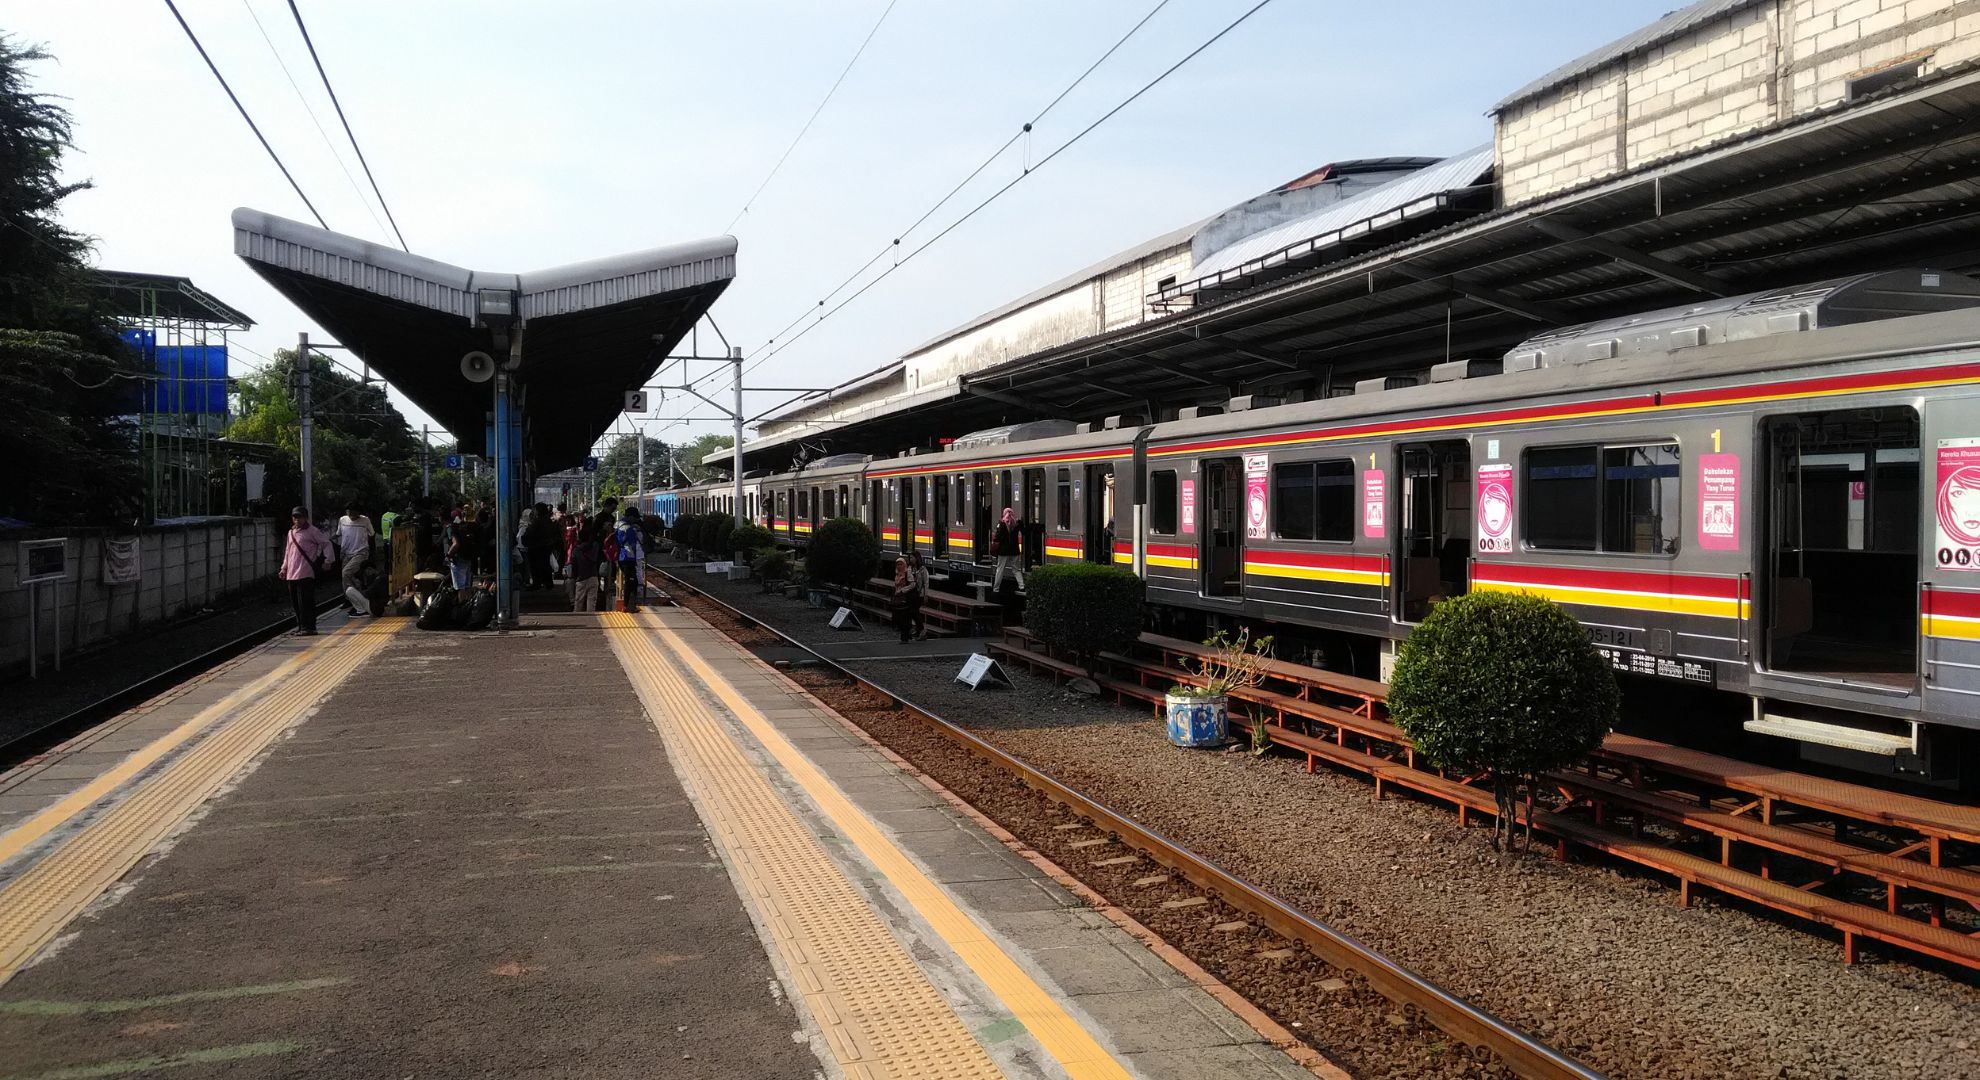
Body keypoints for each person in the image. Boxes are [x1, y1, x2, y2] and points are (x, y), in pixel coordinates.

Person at [281, 506, 332, 636]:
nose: (297, 519)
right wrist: (284, 568)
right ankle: (300, 626)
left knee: (306, 601)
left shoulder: (312, 531)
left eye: (300, 517)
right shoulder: (291, 533)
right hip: (292, 573)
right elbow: (288, 552)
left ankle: (309, 627)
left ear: (306, 518)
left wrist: (328, 560)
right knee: (296, 602)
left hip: (306, 571)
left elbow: (326, 543)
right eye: (295, 517)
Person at [335, 503, 376, 615]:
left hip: (360, 553)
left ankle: (358, 603)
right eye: (349, 512)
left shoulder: (365, 521)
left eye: (354, 512)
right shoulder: (342, 520)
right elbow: (339, 534)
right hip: (346, 553)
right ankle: (351, 600)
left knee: (346, 573)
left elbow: (372, 534)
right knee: (349, 578)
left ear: (359, 513)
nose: (352, 515)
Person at [613, 507, 646, 612]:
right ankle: (628, 606)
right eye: (635, 518)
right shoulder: (629, 528)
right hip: (628, 557)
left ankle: (628, 605)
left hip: (621, 556)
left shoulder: (617, 524)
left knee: (630, 581)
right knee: (631, 582)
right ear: (631, 517)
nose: (636, 520)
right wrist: (638, 531)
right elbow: (633, 543)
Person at [569, 519, 602, 612]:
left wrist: (574, 576)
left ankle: (578, 620)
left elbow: (574, 565)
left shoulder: (576, 550)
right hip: (593, 576)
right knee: (592, 602)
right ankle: (591, 619)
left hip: (581, 578)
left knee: (578, 602)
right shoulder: (595, 546)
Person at [989, 506, 1025, 592]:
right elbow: (1024, 531)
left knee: (1000, 569)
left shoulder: (1001, 523)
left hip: (1003, 551)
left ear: (1004, 514)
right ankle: (1022, 586)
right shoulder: (1017, 523)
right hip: (1014, 550)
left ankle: (996, 588)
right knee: (1016, 569)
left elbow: (997, 538)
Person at [443, 509, 475, 591]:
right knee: (467, 586)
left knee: (460, 588)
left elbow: (456, 544)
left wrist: (448, 555)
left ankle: (462, 603)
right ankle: (469, 603)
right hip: (468, 557)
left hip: (458, 558)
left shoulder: (452, 528)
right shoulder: (466, 526)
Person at [904, 550, 930, 642]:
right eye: (910, 558)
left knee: (914, 611)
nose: (910, 559)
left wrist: (926, 594)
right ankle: (920, 630)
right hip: (912, 593)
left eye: (912, 557)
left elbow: (926, 583)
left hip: (920, 594)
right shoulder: (910, 568)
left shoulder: (923, 569)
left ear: (917, 558)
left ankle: (922, 630)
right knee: (913, 612)